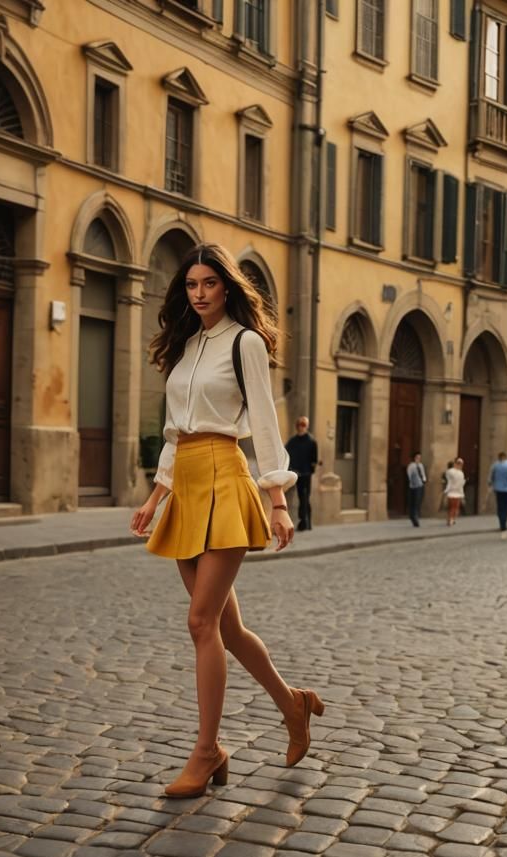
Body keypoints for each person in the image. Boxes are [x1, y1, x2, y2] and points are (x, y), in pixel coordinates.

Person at [130, 244, 323, 799]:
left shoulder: (246, 343)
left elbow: (264, 421)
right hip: (187, 482)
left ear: (226, 287)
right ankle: (293, 705)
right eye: (191, 284)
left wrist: (278, 498)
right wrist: (156, 495)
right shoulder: (187, 347)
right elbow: (175, 429)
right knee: (226, 627)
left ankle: (208, 750)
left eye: (209, 283)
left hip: (224, 476)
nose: (199, 293)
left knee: (200, 622)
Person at [285, 416, 318, 532]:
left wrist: (309, 471)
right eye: (299, 424)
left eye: (303, 425)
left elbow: (314, 459)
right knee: (300, 497)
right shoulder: (292, 442)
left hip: (306, 474)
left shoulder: (311, 441)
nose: (301, 427)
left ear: (307, 426)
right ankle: (306, 522)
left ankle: (304, 522)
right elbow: (286, 455)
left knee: (304, 497)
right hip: (294, 474)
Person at [488, 451, 507, 537]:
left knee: (500, 506)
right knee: (506, 506)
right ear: (505, 457)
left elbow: (490, 476)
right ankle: (504, 523)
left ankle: (502, 523)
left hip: (498, 489)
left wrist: (490, 484)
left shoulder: (495, 465)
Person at [443, 458, 466, 526]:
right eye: (458, 464)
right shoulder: (457, 472)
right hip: (453, 492)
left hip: (454, 492)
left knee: (453, 507)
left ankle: (451, 519)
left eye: (460, 464)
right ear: (455, 464)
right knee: (454, 507)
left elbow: (460, 484)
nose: (460, 466)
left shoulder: (457, 472)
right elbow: (460, 484)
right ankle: (451, 519)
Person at [407, 452, 426, 527]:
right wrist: (412, 483)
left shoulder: (421, 465)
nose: (419, 459)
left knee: (419, 501)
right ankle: (414, 517)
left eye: (420, 458)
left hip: (421, 485)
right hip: (414, 486)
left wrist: (424, 479)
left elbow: (423, 473)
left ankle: (415, 516)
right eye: (417, 457)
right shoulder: (411, 466)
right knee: (414, 502)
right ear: (414, 458)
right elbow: (409, 475)